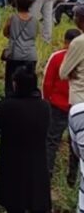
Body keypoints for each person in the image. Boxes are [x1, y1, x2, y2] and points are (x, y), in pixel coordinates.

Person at [0, 67, 51, 213]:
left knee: (13, 203)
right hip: (37, 162)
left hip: (11, 162)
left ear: (16, 84)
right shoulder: (44, 106)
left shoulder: (7, 105)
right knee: (36, 202)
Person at [44, 29, 81, 185]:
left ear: (65, 41)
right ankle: (72, 177)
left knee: (52, 140)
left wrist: (46, 100)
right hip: (78, 106)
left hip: (58, 105)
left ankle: (47, 174)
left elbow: (47, 82)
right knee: (76, 143)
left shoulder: (57, 57)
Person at [3, 0, 38, 97]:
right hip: (31, 54)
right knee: (29, 79)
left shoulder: (12, 18)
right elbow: (35, 35)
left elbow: (5, 32)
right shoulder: (34, 20)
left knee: (10, 80)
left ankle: (11, 99)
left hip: (15, 54)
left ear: (17, 5)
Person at [61, 6, 84, 110]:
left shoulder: (78, 42)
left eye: (76, 16)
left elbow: (63, 73)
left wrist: (72, 70)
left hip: (79, 98)